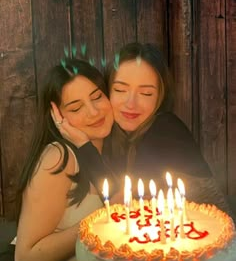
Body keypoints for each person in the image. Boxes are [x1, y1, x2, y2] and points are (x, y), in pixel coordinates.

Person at [56, 42, 235, 221]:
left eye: (146, 94)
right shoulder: (115, 137)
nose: (131, 103)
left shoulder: (166, 129)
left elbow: (119, 206)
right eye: (120, 90)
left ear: (160, 98)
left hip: (214, 241)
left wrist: (84, 146)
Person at [0, 58, 114, 261]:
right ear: (56, 116)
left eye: (97, 97)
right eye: (76, 107)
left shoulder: (109, 154)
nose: (93, 111)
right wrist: (96, 224)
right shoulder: (58, 158)